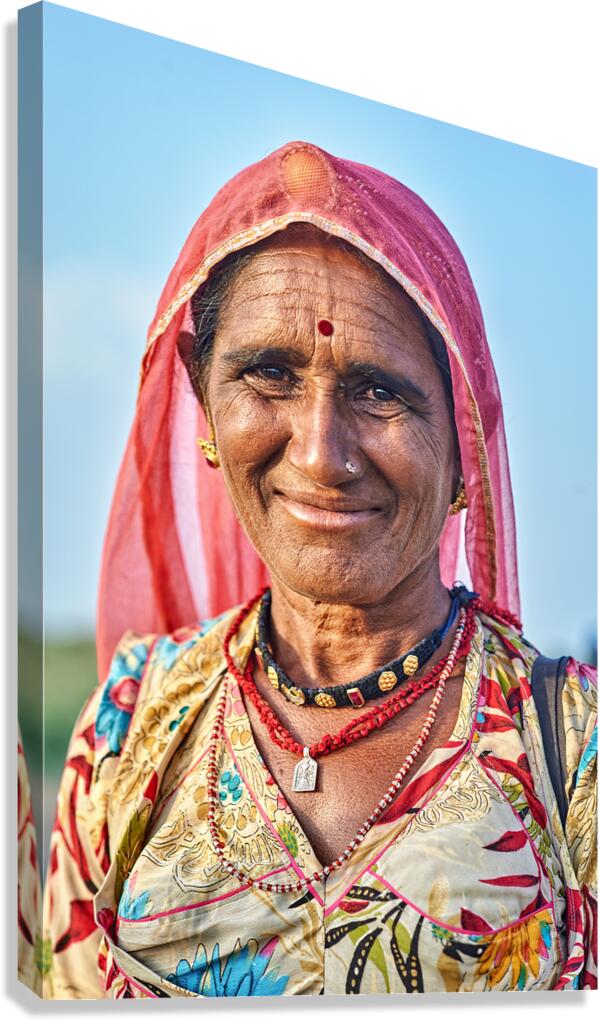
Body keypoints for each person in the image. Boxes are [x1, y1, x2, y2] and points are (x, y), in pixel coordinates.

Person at [43, 141, 596, 997]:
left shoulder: (574, 752)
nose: (319, 455)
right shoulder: (128, 725)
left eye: (378, 391)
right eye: (269, 374)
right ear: (205, 401)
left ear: (464, 445)